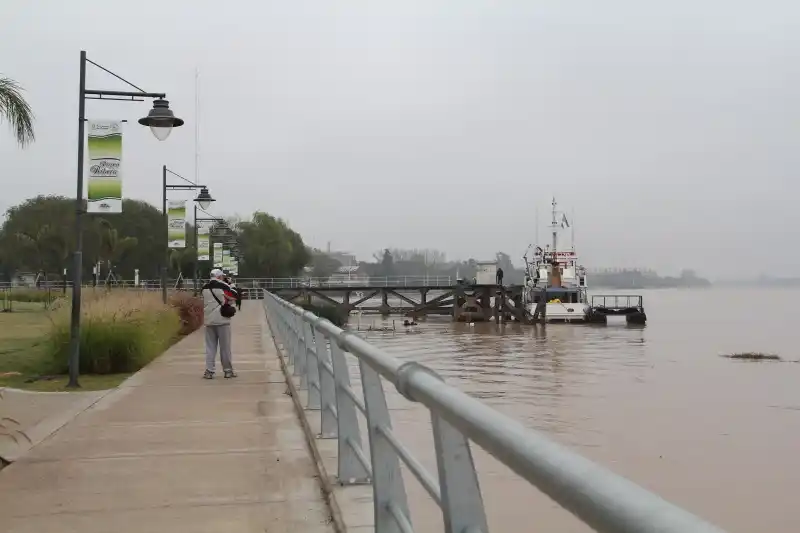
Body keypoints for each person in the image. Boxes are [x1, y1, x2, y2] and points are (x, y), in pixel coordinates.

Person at [201, 269, 237, 379]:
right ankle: (228, 371)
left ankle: (209, 371)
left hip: (209, 320)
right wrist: (231, 284)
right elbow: (235, 295)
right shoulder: (223, 285)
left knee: (210, 347)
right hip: (222, 320)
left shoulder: (204, 287)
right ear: (219, 276)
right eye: (222, 276)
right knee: (225, 347)